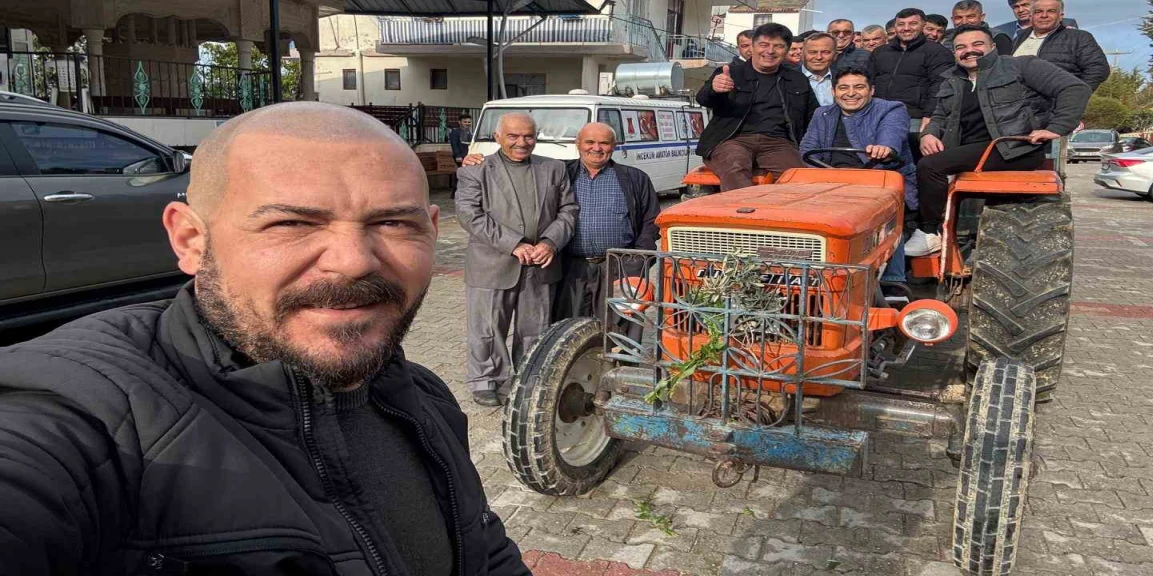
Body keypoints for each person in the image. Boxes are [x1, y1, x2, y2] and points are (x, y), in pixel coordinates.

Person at [0, 102, 527, 575]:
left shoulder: (423, 399)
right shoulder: (84, 416)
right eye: (292, 223)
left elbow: (483, 548)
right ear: (189, 239)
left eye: (392, 223)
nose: (353, 262)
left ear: (433, 230)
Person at [907, 25, 1091, 256]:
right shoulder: (952, 80)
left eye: (977, 44)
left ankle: (929, 231)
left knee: (930, 166)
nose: (969, 51)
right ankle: (906, 221)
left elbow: (1074, 88)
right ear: (954, 53)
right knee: (904, 146)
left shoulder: (1020, 66)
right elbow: (940, 116)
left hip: (1012, 148)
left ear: (992, 46)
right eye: (960, 47)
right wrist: (929, 134)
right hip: (969, 149)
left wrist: (1056, 128)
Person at [461, 123, 660, 321]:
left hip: (619, 267)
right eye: (589, 142)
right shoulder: (558, 171)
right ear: (578, 144)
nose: (596, 148)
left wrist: (637, 263)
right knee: (567, 329)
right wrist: (478, 161)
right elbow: (520, 165)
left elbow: (651, 222)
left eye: (604, 143)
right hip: (570, 268)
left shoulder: (635, 178)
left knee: (621, 328)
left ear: (614, 145)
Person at [455, 113, 578, 406]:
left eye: (528, 136)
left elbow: (569, 210)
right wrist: (513, 244)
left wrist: (550, 243)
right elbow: (469, 215)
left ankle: (527, 378)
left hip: (540, 264)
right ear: (497, 137)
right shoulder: (476, 170)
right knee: (487, 327)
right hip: (492, 263)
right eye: (513, 136)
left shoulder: (554, 168)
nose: (521, 143)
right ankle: (486, 379)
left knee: (535, 328)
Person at [799, 67, 917, 290]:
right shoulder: (822, 114)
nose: (850, 93)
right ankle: (808, 274)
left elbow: (892, 132)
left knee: (886, 219)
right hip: (831, 182)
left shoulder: (891, 109)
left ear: (871, 90)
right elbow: (807, 148)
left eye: (859, 87)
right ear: (834, 92)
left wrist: (885, 147)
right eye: (843, 87)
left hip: (876, 180)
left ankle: (894, 282)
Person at [695, 22, 820, 191]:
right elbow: (703, 99)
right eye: (764, 45)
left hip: (778, 143)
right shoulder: (730, 72)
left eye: (778, 46)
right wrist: (714, 89)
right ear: (752, 47)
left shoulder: (797, 80)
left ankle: (785, 216)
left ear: (786, 50)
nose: (770, 51)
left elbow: (813, 116)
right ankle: (743, 213)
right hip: (732, 139)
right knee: (735, 167)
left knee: (800, 179)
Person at [865, 7, 953, 156]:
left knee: (913, 160)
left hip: (915, 118)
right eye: (901, 24)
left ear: (923, 26)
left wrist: (930, 115)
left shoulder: (938, 52)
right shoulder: (880, 52)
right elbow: (869, 82)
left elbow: (940, 85)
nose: (906, 28)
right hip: (879, 116)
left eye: (912, 24)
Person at [1010, 0, 1110, 91]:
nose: (1044, 15)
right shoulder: (1016, 39)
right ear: (1031, 16)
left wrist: (1074, 96)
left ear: (1061, 16)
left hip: (1054, 105)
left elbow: (1098, 68)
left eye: (1051, 11)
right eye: (1038, 11)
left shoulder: (1078, 38)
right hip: (1014, 104)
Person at [993, 0, 1078, 40]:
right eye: (1016, 7)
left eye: (1025, 5)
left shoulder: (1066, 24)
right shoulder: (999, 31)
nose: (1020, 10)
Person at [941, 0, 1013, 54]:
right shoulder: (944, 38)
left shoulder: (997, 37)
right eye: (958, 17)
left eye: (970, 17)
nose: (964, 22)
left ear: (982, 17)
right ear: (952, 19)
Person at [801, 32, 838, 107]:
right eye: (812, 52)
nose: (819, 57)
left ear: (835, 55)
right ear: (803, 54)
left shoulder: (841, 78)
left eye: (825, 52)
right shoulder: (786, 78)